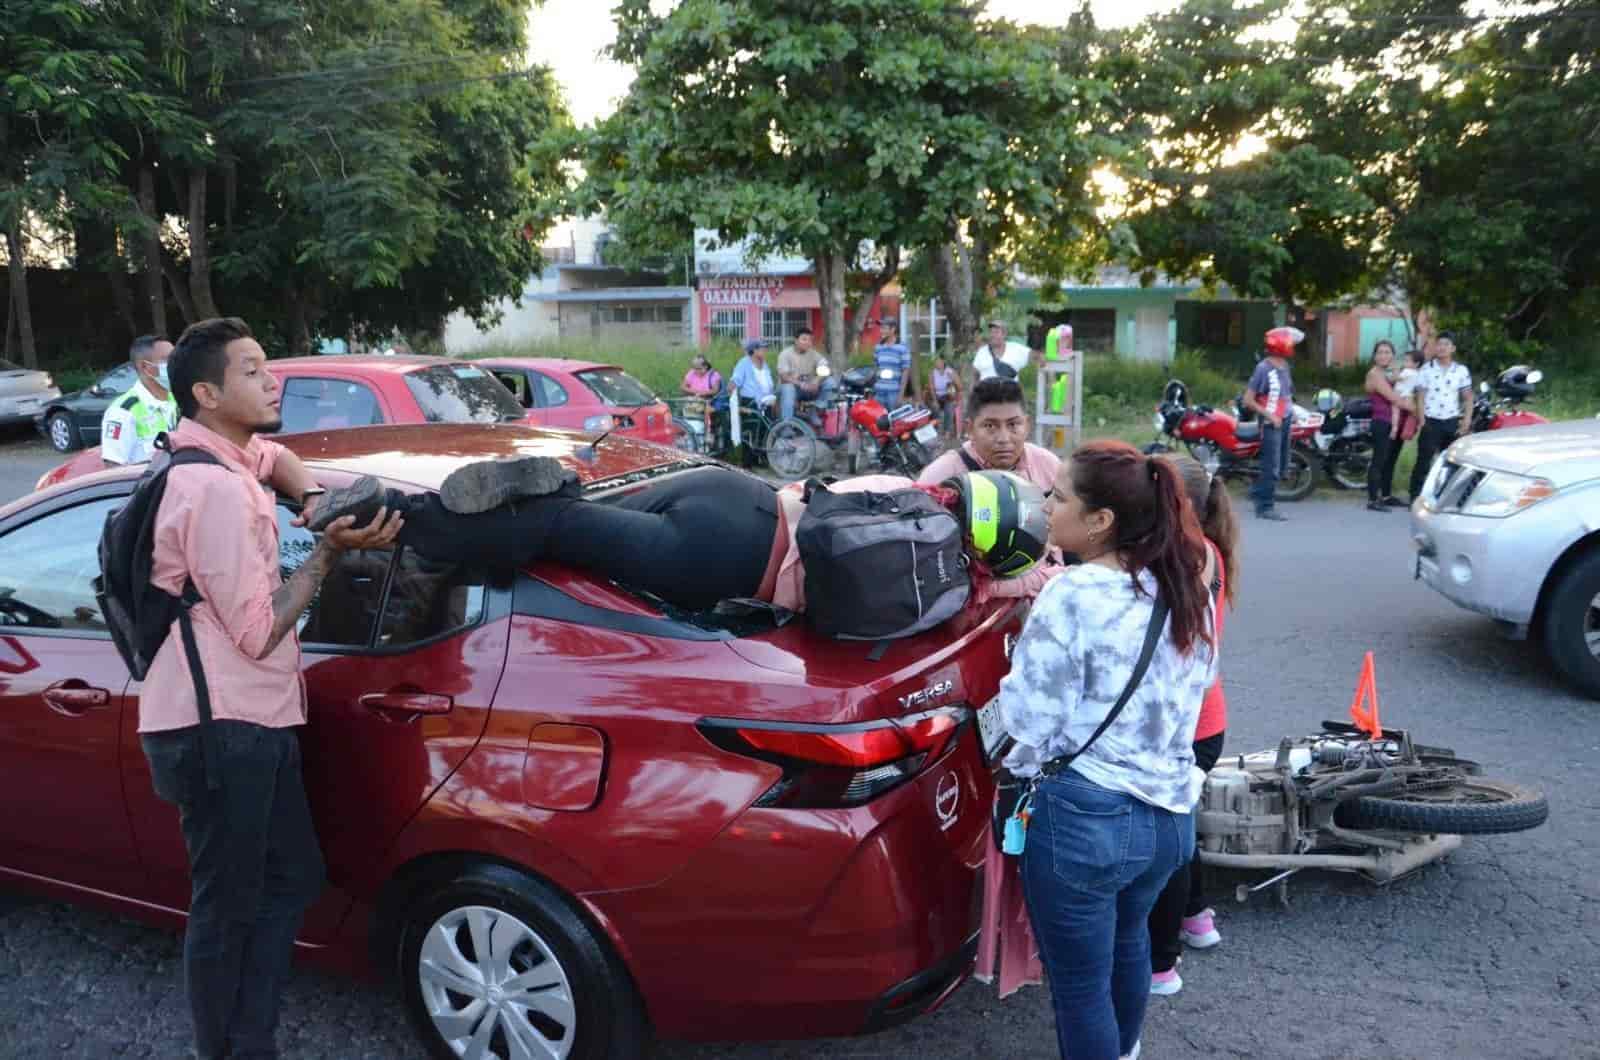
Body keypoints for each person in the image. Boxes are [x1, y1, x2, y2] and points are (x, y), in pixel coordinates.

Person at [139, 317, 402, 1060]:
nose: (272, 379)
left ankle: (249, 1037)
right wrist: (324, 551)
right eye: (253, 372)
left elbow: (275, 455)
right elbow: (258, 632)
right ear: (206, 392)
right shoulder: (214, 491)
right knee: (226, 903)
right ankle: (230, 1048)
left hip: (249, 719)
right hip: (217, 727)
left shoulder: (218, 457)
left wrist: (314, 496)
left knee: (291, 874)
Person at [999, 440, 1216, 1060]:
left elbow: (1030, 718)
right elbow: (1192, 699)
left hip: (1089, 819)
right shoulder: (1182, 587)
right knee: (1129, 945)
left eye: (1059, 496)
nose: (1046, 505)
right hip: (1170, 819)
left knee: (1078, 985)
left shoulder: (1072, 593)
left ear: (1100, 522)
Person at [307, 456, 1044, 617]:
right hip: (721, 562)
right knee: (546, 533)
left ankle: (553, 476)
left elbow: (808, 493)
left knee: (574, 506)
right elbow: (1030, 579)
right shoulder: (960, 587)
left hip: (736, 496)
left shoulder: (907, 494)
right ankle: (395, 511)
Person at [1147, 455, 1238, 997]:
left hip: (1183, 726)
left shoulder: (1181, 559)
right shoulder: (1210, 551)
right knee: (1181, 822)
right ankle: (1197, 917)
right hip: (1205, 720)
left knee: (1168, 839)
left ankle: (1161, 964)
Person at [919, 377, 1067, 599]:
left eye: (1013, 425)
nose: (1003, 439)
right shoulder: (941, 476)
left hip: (1044, 594)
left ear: (1026, 424)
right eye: (990, 426)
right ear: (969, 428)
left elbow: (1065, 544)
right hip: (969, 604)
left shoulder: (1048, 466)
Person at [1242, 326, 1300, 521]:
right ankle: (1265, 507)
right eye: (1289, 343)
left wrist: (1293, 413)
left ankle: (1258, 491)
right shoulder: (1263, 368)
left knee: (1283, 465)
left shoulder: (1284, 367)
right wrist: (1270, 415)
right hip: (1270, 423)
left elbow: (1286, 394)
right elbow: (1248, 400)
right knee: (1272, 466)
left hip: (1285, 420)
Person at [1408, 331, 1473, 503]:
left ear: (1453, 348)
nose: (1442, 347)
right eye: (1439, 344)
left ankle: (1446, 497)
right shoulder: (1426, 369)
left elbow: (1467, 397)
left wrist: (1466, 419)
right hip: (1431, 420)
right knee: (1424, 460)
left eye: (1446, 344)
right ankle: (1415, 496)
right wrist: (1421, 419)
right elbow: (1420, 396)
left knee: (1451, 461)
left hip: (1451, 421)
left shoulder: (1461, 370)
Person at [102, 334, 179, 467]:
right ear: (145, 367)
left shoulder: (178, 400)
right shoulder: (123, 411)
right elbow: (113, 467)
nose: (176, 364)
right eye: (168, 359)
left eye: (176, 358)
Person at [1363, 340, 1412, 511]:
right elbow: (1394, 398)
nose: (1384, 355)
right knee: (1379, 461)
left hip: (1395, 423)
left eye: (1387, 352)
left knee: (1390, 461)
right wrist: (1419, 411)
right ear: (1375, 356)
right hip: (1382, 423)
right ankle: (1372, 500)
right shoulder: (1375, 374)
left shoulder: (1390, 373)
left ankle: (1386, 495)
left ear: (1392, 355)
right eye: (1380, 352)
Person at [777, 328, 835, 421]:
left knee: (830, 382)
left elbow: (827, 368)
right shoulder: (785, 354)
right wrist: (801, 384)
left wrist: (816, 380)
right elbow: (783, 377)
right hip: (793, 390)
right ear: (795, 340)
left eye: (810, 340)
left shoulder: (813, 354)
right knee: (788, 387)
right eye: (804, 339)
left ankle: (816, 408)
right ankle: (786, 424)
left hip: (809, 388)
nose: (808, 342)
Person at [872, 320, 912, 410]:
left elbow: (906, 371)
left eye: (884, 328)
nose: (881, 331)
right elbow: (875, 368)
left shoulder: (903, 348)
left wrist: (900, 396)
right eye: (881, 328)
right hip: (879, 392)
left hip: (894, 393)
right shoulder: (878, 347)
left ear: (893, 329)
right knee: (877, 422)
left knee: (893, 422)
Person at [730, 338, 777, 411]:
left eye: (766, 349)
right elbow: (733, 383)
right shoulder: (744, 363)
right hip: (751, 402)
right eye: (763, 349)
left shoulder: (764, 364)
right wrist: (735, 406)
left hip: (766, 399)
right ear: (754, 350)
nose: (766, 351)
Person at [927, 355, 959, 435]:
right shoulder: (932, 372)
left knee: (949, 409)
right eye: (936, 361)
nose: (937, 363)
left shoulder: (950, 371)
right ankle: (935, 430)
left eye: (939, 361)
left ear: (943, 361)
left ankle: (947, 431)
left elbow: (959, 386)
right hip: (936, 395)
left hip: (948, 395)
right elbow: (931, 388)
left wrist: (952, 378)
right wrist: (935, 401)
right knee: (934, 409)